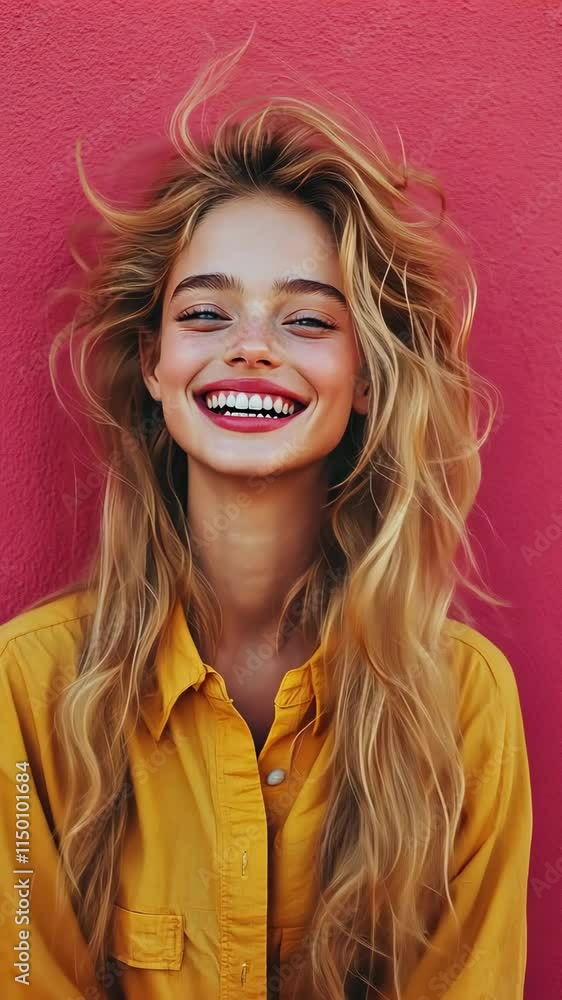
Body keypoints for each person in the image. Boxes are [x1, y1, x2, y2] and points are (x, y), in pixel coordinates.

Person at [0, 35, 532, 1000]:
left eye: (306, 319)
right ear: (154, 366)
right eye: (205, 315)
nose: (250, 349)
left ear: (366, 377)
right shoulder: (26, 693)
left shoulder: (464, 705)